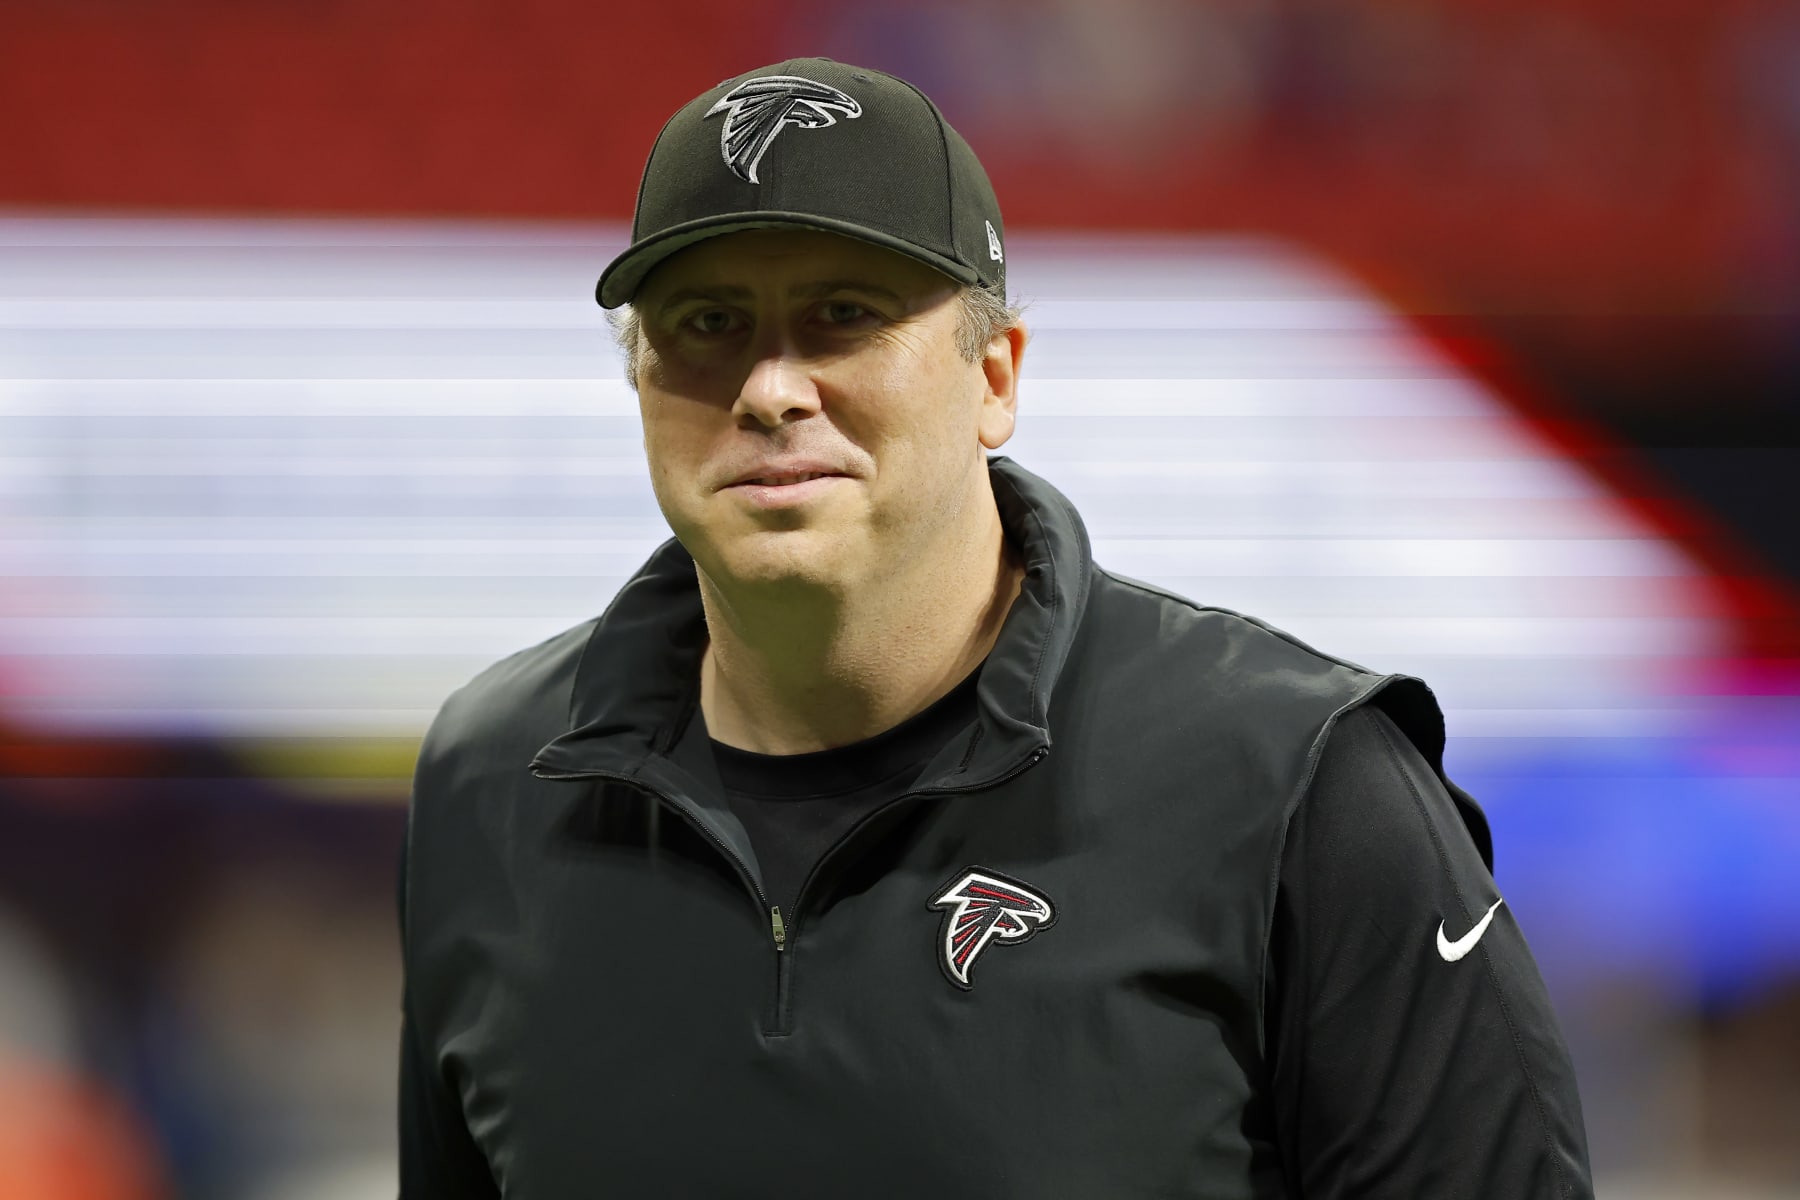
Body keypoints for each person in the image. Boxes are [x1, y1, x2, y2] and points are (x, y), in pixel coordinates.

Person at [398, 57, 1593, 1197]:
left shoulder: (1297, 784)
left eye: (844, 315)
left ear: (997, 377)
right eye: (707, 324)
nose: (770, 388)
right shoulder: (492, 782)